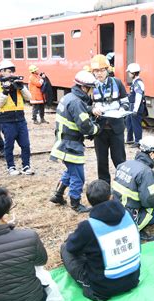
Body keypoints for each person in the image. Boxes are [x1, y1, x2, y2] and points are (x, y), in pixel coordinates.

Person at [61, 180, 140, 301]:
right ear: (111, 196)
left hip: (103, 288)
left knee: (65, 248)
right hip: (133, 279)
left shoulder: (88, 227)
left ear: (89, 202)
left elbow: (72, 248)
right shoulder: (128, 214)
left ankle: (92, 288)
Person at [50, 70, 100, 213]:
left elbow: (77, 111)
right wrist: (97, 128)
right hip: (71, 146)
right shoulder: (77, 102)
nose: (91, 92)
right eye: (90, 88)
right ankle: (76, 204)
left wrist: (90, 110)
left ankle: (58, 195)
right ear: (84, 88)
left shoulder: (69, 97)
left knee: (71, 171)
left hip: (63, 142)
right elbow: (85, 127)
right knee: (78, 176)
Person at [112, 136, 154, 239]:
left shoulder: (124, 164)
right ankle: (136, 227)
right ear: (151, 154)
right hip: (129, 214)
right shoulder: (146, 172)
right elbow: (149, 201)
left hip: (115, 209)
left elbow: (131, 188)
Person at [90, 54, 129, 184]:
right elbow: (85, 105)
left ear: (107, 70)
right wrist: (92, 109)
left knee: (119, 159)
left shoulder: (117, 83)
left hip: (116, 128)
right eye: (96, 71)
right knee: (101, 161)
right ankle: (104, 186)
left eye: (102, 70)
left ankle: (123, 185)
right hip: (99, 130)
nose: (99, 73)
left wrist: (123, 110)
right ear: (92, 72)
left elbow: (125, 101)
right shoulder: (90, 86)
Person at [0, 59, 34, 176]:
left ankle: (26, 166)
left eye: (12, 71)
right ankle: (11, 167)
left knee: (25, 144)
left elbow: (29, 98)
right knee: (9, 145)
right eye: (9, 71)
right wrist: (5, 91)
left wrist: (22, 87)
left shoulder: (17, 83)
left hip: (20, 119)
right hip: (7, 120)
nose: (11, 74)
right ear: (1, 71)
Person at [125, 63, 146, 148]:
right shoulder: (135, 82)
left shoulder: (138, 83)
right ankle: (130, 140)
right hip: (132, 106)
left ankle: (138, 141)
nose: (128, 74)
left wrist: (135, 110)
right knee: (128, 122)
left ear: (133, 73)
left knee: (136, 124)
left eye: (129, 72)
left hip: (135, 107)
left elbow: (138, 96)